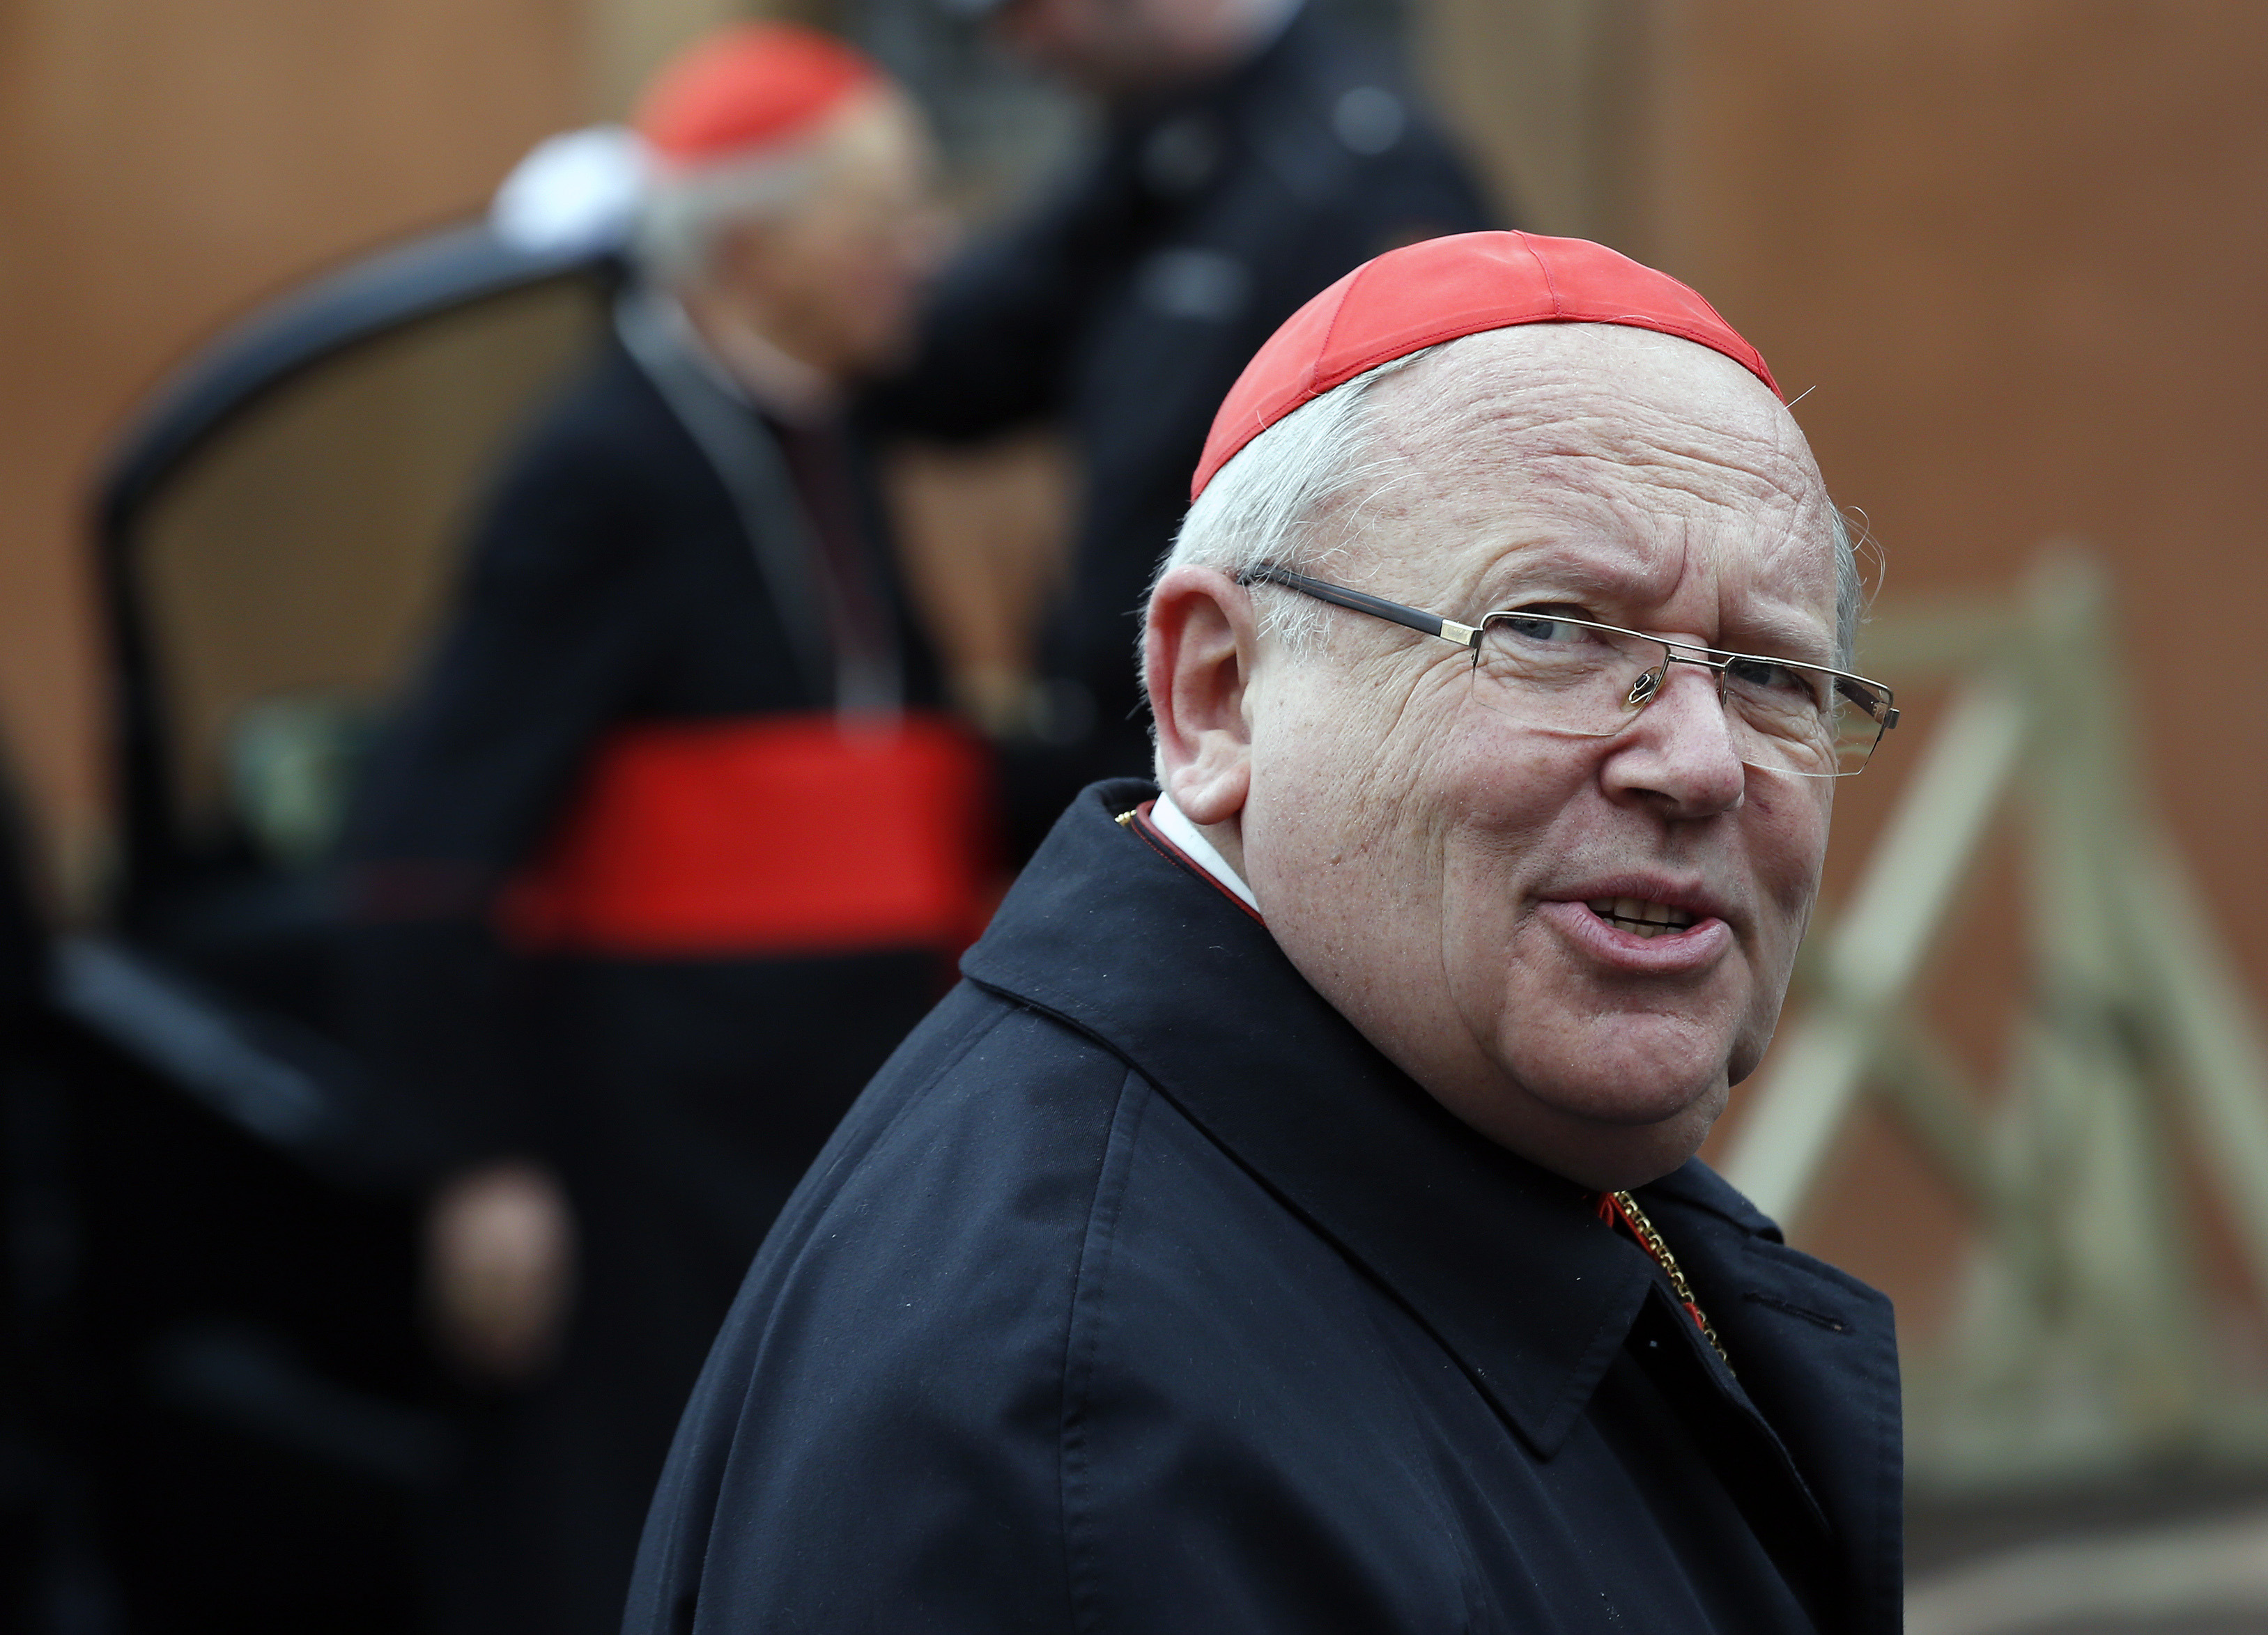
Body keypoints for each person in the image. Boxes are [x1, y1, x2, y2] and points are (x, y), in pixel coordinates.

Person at [626, 231, 1906, 1632]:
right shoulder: (1083, 1440)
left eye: (1775, 675)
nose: (1703, 763)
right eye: (1552, 630)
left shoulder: (1462, 1102)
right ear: (1219, 695)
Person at [337, 25, 983, 1634]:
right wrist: (474, 1158)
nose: (931, 250)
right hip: (648, 1136)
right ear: (754, 247)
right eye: (886, 215)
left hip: (817, 1098)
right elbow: (432, 830)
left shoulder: (824, 423)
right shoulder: (597, 465)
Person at [871, 0, 1494, 853]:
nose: (1018, 47)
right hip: (1133, 738)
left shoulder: (1358, 166)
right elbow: (951, 364)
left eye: (1027, 12)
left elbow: (1439, 494)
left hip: (1270, 760)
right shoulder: (1149, 151)